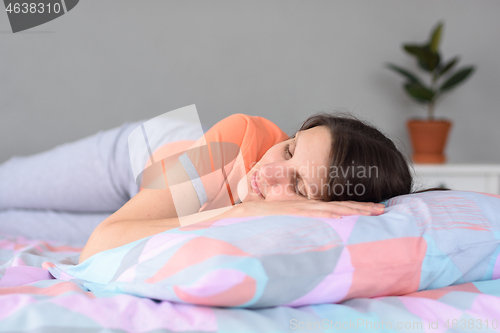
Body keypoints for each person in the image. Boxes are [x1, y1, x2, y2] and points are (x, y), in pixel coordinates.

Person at [0, 112, 412, 262]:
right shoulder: (238, 143)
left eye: (300, 187)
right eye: (288, 151)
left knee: (8, 227)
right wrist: (240, 211)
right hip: (134, 163)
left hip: (160, 213)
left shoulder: (305, 230)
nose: (269, 172)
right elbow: (100, 245)